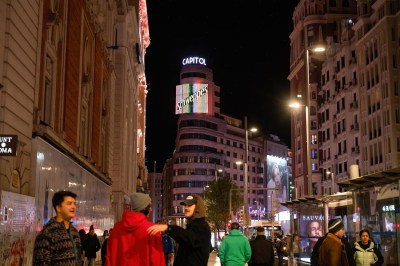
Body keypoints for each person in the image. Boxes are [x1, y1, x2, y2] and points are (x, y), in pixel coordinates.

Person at [147, 194, 212, 266]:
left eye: (189, 205)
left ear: (198, 208)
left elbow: (188, 237)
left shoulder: (201, 226)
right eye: (185, 205)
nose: (186, 208)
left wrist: (168, 228)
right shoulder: (194, 225)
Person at [106, 192, 165, 265]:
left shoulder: (117, 228)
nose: (151, 209)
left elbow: (109, 257)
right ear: (144, 208)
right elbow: (157, 260)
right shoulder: (152, 229)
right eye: (149, 206)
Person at [33, 190, 82, 265]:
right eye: (69, 204)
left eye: (75, 204)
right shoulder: (47, 234)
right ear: (58, 208)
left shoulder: (74, 232)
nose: (73, 207)